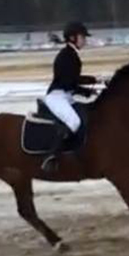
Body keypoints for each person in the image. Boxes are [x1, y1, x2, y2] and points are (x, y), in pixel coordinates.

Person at [41, 21, 99, 171]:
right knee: (74, 122)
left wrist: (95, 81)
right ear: (73, 38)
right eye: (82, 37)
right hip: (57, 97)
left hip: (66, 96)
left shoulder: (71, 54)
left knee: (86, 115)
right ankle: (51, 155)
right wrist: (87, 91)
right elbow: (69, 82)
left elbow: (73, 80)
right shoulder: (67, 56)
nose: (85, 40)